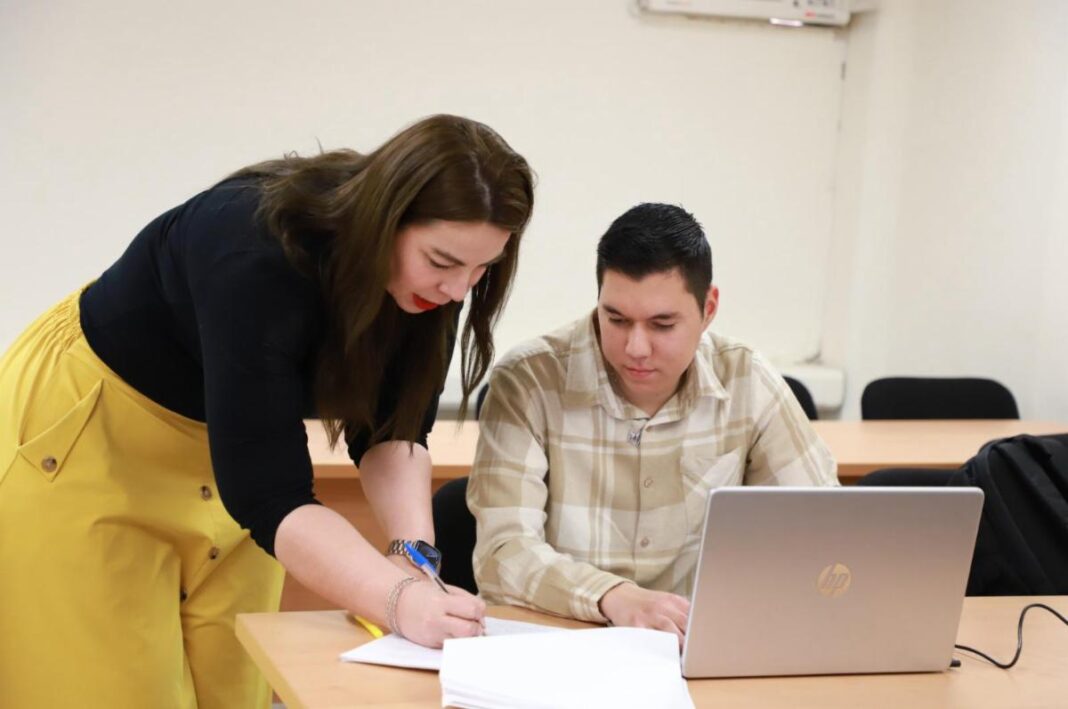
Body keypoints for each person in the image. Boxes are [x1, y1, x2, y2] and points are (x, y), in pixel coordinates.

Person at [0, 114, 533, 708]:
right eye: (442, 263)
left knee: (237, 686)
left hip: (224, 456)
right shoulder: (254, 250)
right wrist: (398, 601)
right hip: (93, 436)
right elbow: (273, 497)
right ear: (385, 219)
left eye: (482, 269)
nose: (458, 291)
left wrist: (414, 562)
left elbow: (394, 430)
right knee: (115, 690)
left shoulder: (432, 282)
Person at [468, 203, 837, 645]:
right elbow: (502, 555)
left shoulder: (746, 378)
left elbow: (824, 529)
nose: (636, 348)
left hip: (694, 646)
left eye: (663, 324)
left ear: (708, 308)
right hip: (563, 643)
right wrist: (612, 597)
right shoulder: (529, 380)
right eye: (616, 319)